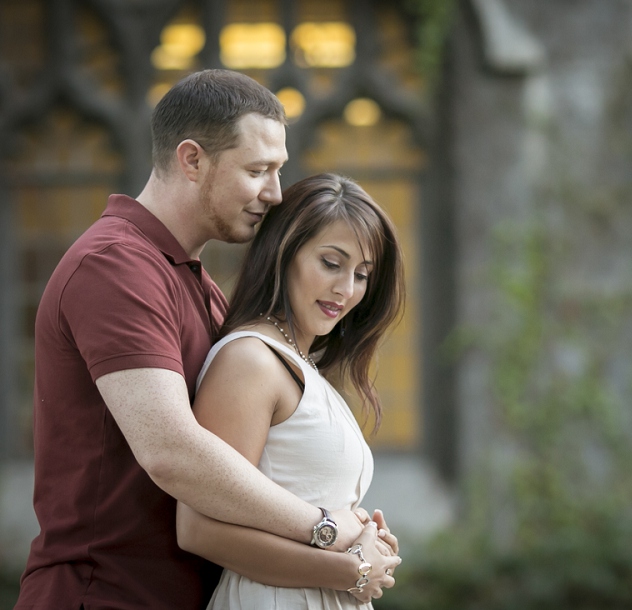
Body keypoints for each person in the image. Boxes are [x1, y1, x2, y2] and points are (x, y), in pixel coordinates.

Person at [16, 70, 379, 609]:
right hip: (104, 593)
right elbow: (171, 452)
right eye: (258, 170)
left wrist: (358, 541)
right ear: (192, 160)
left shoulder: (198, 285)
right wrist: (328, 529)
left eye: (278, 171)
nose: (274, 193)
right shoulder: (114, 266)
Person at [174, 172, 405, 608]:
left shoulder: (301, 366)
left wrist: (365, 539)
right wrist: (348, 570)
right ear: (285, 253)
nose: (347, 289)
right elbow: (198, 529)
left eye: (362, 274)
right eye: (331, 263)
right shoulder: (250, 361)